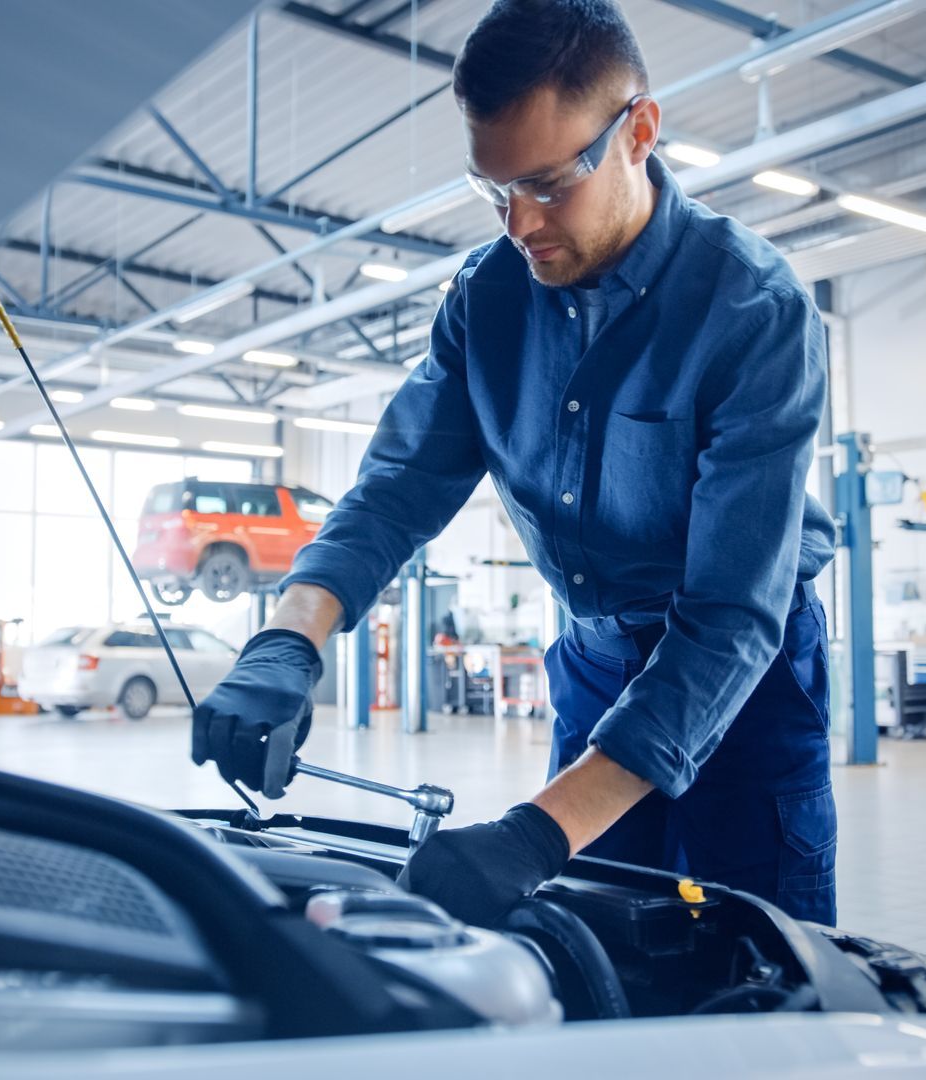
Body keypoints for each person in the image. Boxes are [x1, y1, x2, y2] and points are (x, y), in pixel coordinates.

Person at [191, 0, 838, 928]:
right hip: (595, 658)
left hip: (749, 676)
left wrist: (538, 833)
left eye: (549, 183)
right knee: (597, 939)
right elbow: (396, 491)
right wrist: (288, 638)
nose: (519, 223)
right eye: (494, 191)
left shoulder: (753, 310)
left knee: (759, 952)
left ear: (639, 132)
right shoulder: (487, 299)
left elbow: (733, 615)